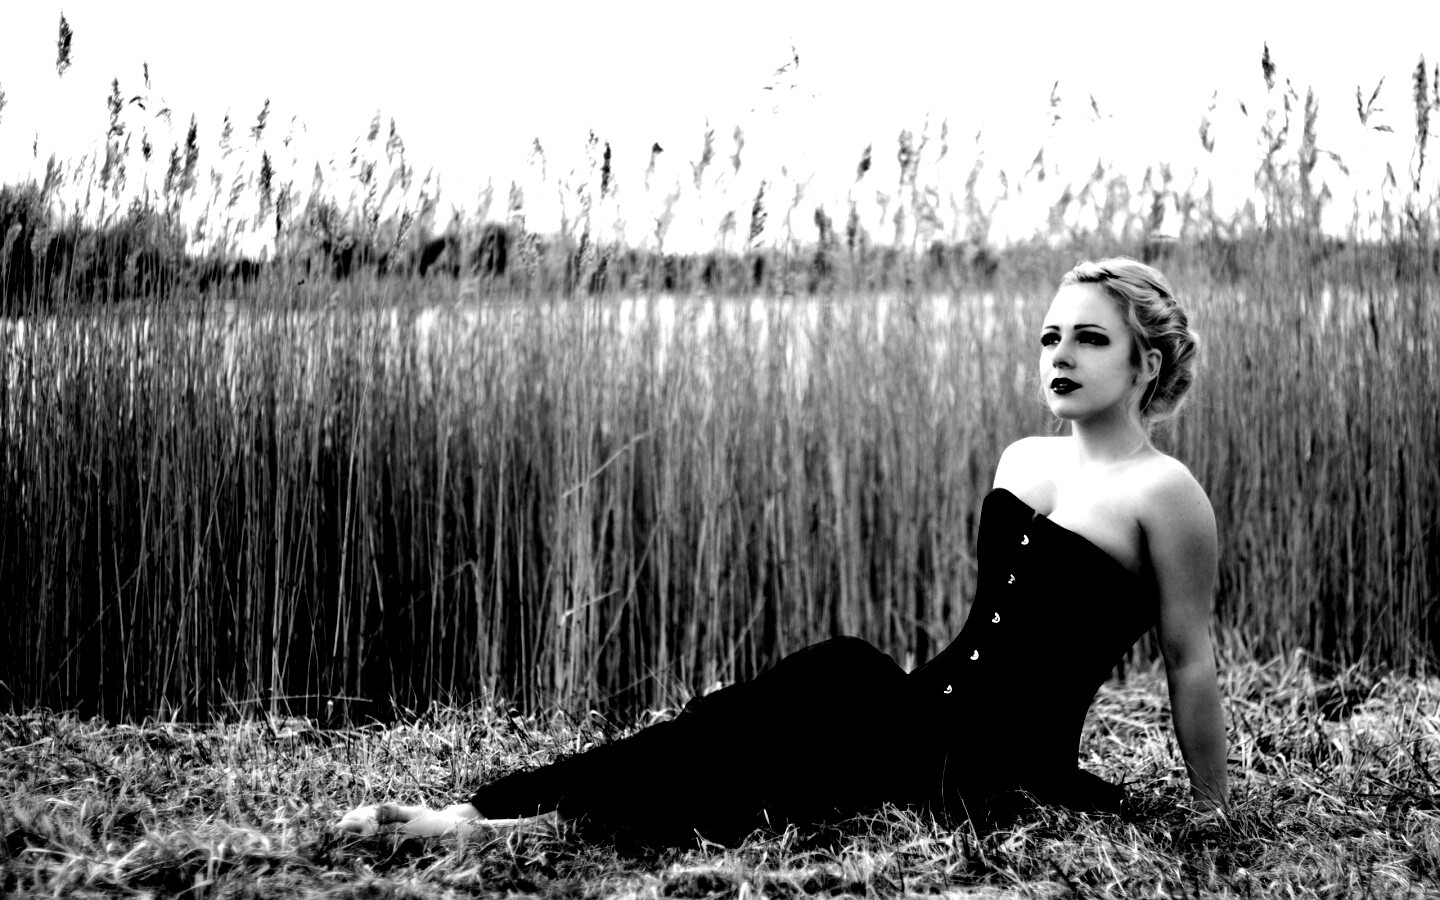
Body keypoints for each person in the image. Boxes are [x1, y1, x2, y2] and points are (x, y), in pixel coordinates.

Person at [337, 257, 1228, 845]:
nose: (1060, 355)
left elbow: (1190, 661)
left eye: (1090, 339)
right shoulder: (1022, 460)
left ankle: (511, 826)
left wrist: (1213, 813)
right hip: (927, 713)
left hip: (1005, 766)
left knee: (803, 719)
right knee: (803, 691)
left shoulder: (1166, 494)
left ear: (1146, 364)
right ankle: (490, 810)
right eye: (1050, 337)